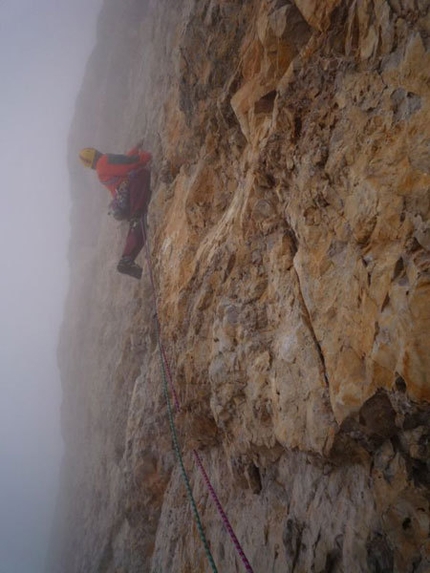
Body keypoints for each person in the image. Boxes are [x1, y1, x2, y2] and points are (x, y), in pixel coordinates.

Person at [79, 144, 152, 279]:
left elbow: (121, 162)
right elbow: (128, 164)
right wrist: (146, 156)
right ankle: (127, 257)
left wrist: (134, 149)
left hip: (125, 201)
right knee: (142, 175)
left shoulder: (100, 170)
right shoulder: (104, 160)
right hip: (132, 192)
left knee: (139, 222)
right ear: (95, 151)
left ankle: (127, 258)